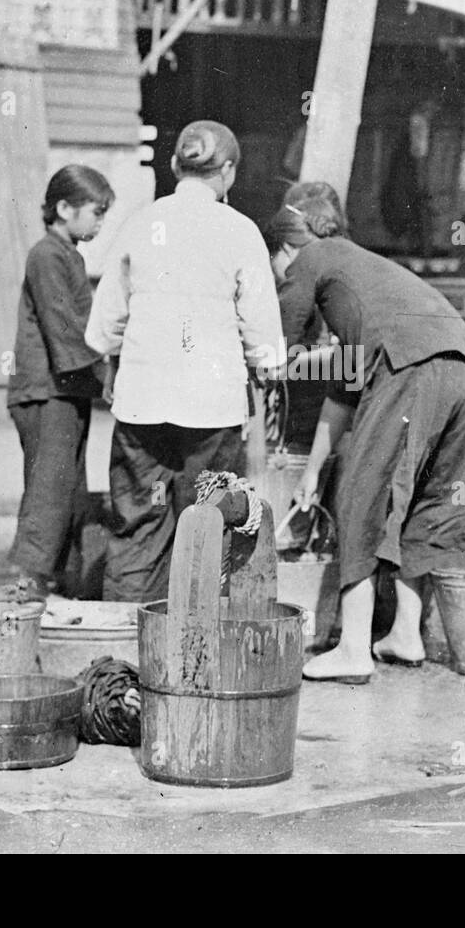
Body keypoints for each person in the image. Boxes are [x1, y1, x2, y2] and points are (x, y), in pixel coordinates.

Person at [265, 199, 465, 683]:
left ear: (285, 248)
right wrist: (310, 471)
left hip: (411, 366)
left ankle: (353, 648)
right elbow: (345, 392)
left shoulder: (309, 258)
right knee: (429, 496)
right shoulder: (363, 272)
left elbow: (278, 344)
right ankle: (405, 635)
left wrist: (268, 360)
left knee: (361, 494)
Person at [88, 120, 284, 603]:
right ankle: (195, 646)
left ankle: (126, 644)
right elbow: (265, 340)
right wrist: (267, 369)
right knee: (207, 522)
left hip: (141, 406)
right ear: (229, 172)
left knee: (137, 522)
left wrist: (118, 358)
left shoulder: (139, 223)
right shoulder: (241, 232)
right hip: (212, 410)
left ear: (176, 166)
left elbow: (103, 326)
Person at [7, 165, 114, 593]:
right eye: (97, 211)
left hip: (66, 391)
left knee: (71, 490)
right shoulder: (47, 255)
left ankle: (68, 585)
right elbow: (64, 327)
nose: (101, 222)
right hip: (46, 391)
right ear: (65, 208)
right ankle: (28, 581)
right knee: (50, 489)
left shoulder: (68, 254)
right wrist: (106, 371)